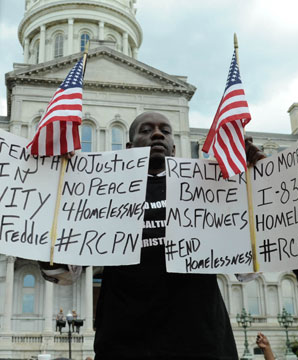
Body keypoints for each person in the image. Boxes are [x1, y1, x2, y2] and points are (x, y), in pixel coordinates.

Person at [41, 112, 265, 359]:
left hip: (201, 342)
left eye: (165, 131)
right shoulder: (100, 188)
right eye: (146, 130)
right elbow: (63, 272)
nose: (157, 134)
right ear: (129, 147)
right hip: (126, 343)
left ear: (174, 147)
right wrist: (53, 199)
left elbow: (248, 271)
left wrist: (251, 185)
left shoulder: (208, 187)